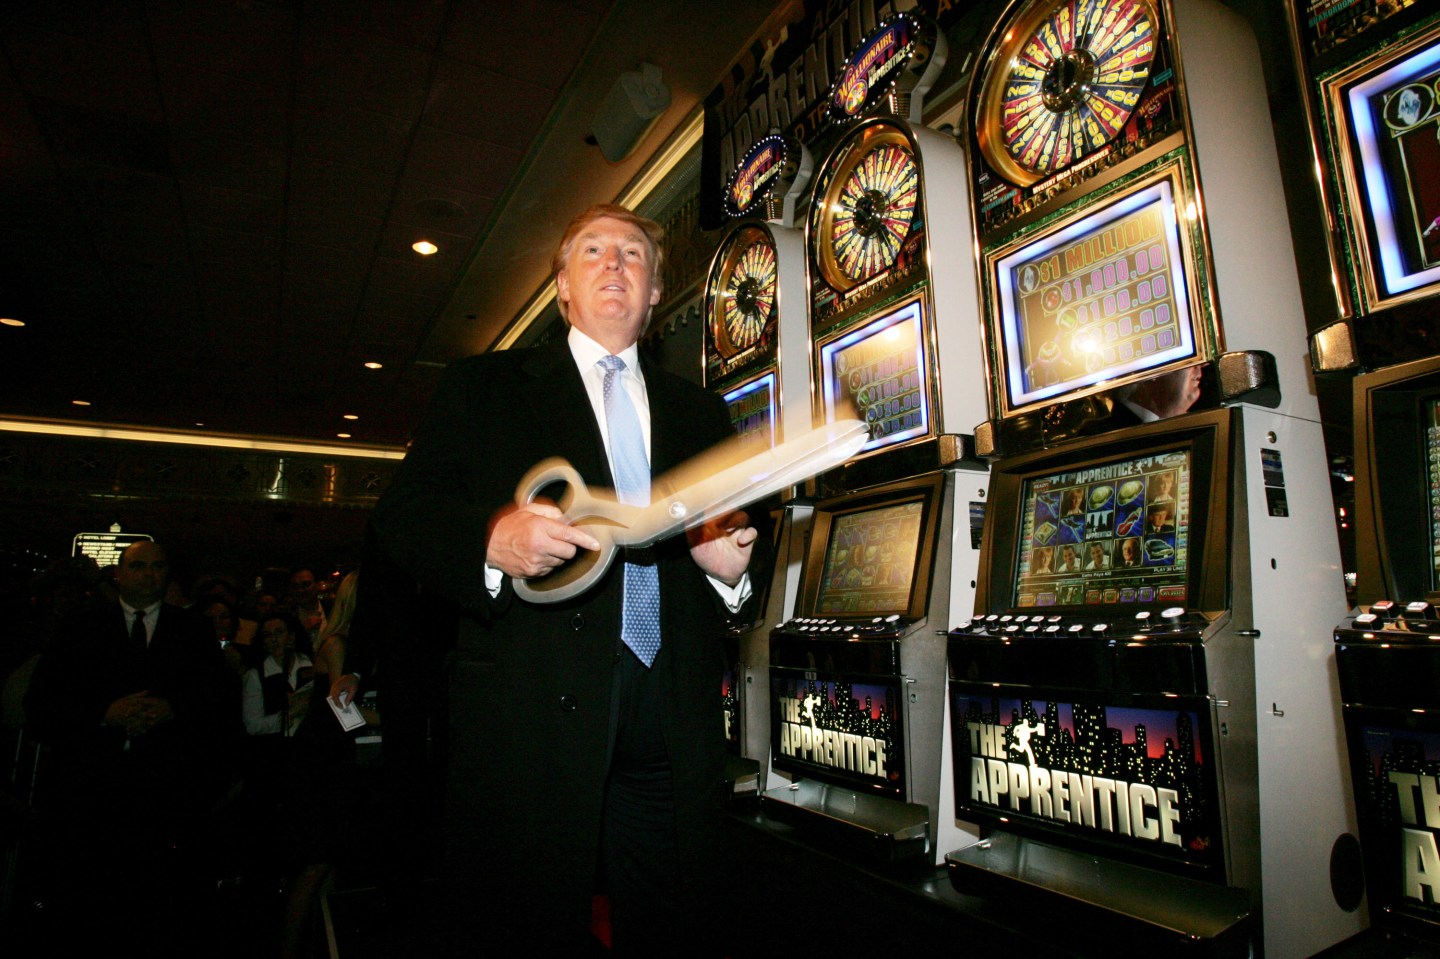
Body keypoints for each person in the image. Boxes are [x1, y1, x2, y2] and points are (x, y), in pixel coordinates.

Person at [370, 204, 767, 956]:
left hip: (669, 719)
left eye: (633, 254)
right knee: (524, 923)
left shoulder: (702, 411)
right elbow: (406, 515)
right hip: (532, 720)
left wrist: (728, 573)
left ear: (655, 296)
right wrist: (492, 539)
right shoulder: (482, 388)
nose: (614, 263)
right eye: (592, 250)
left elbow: (753, 547)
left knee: (675, 921)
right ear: (561, 286)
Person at [22, 540, 239, 955]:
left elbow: (218, 701)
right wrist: (106, 713)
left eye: (158, 566)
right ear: (120, 573)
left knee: (159, 902)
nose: (149, 574)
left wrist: (173, 708)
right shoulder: (80, 626)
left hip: (165, 790)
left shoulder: (191, 629)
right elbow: (43, 703)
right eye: (139, 566)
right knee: (90, 901)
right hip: (92, 788)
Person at [1109, 364, 1203, 424]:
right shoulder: (1109, 437)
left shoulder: (1200, 426)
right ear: (1150, 373)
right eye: (1189, 357)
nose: (1202, 364)